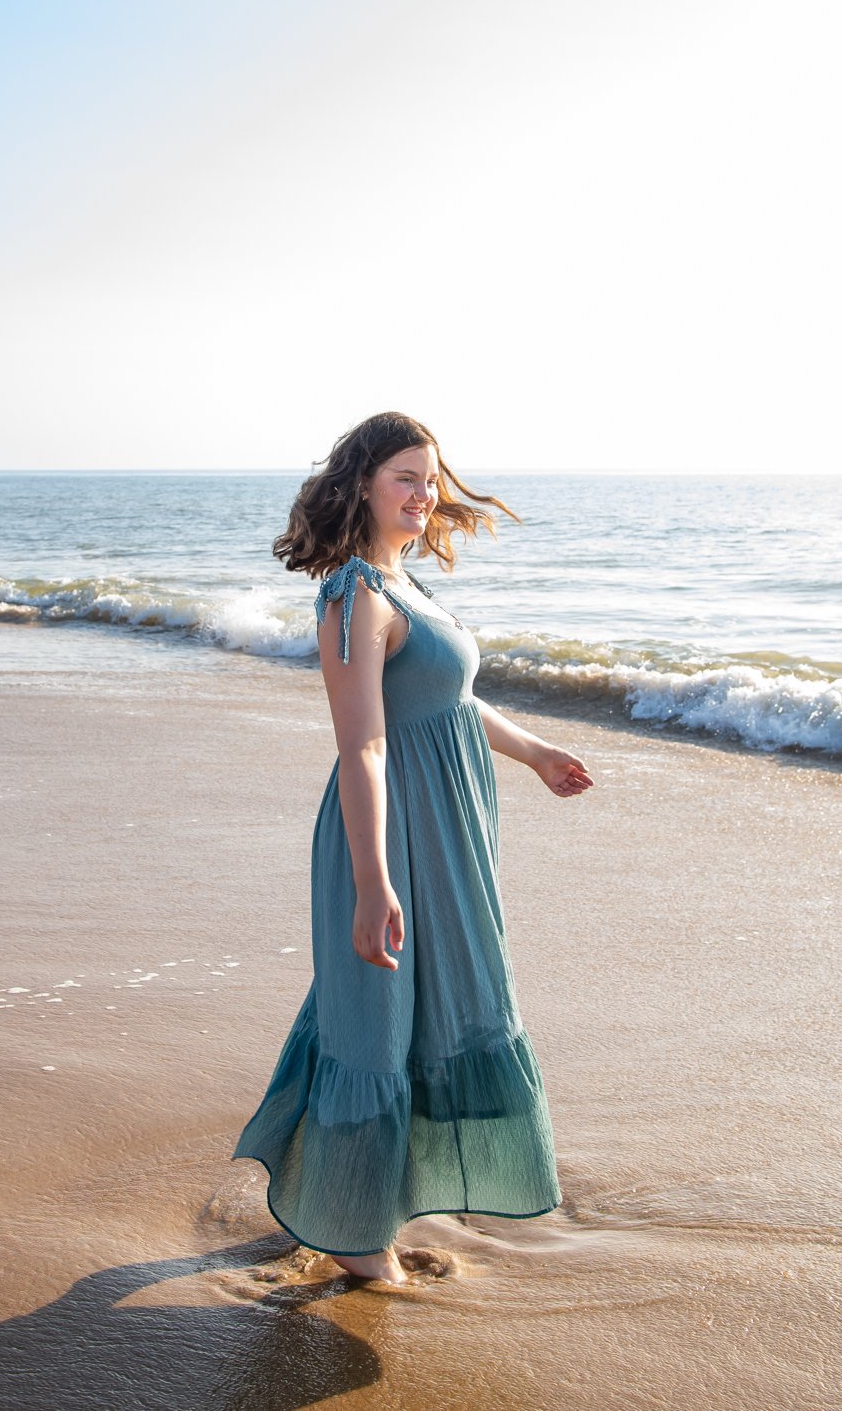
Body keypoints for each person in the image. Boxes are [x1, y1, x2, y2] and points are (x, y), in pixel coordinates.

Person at [233, 412, 593, 1285]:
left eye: (432, 480)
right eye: (406, 477)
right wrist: (371, 881)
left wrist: (537, 753)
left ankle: (367, 1210)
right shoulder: (356, 595)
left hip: (449, 839)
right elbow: (361, 744)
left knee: (434, 1011)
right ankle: (357, 1237)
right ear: (362, 483)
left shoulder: (408, 589)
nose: (425, 495)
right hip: (388, 839)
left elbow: (453, 703)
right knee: (373, 1020)